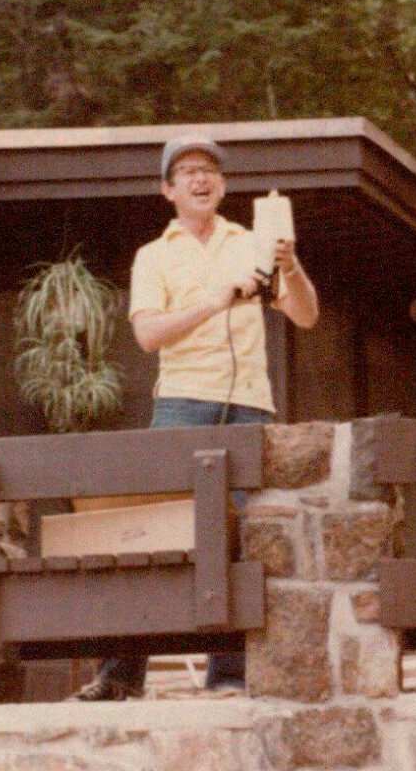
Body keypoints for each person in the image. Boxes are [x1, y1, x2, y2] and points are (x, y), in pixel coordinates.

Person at [72, 134, 319, 700]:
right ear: (168, 189)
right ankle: (120, 675)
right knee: (157, 534)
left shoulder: (251, 242)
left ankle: (228, 675)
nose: (200, 178)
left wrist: (291, 266)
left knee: (244, 536)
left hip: (250, 404)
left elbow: (305, 316)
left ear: (223, 184)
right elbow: (148, 334)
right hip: (182, 403)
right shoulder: (153, 255)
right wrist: (217, 299)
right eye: (186, 171)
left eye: (209, 169)